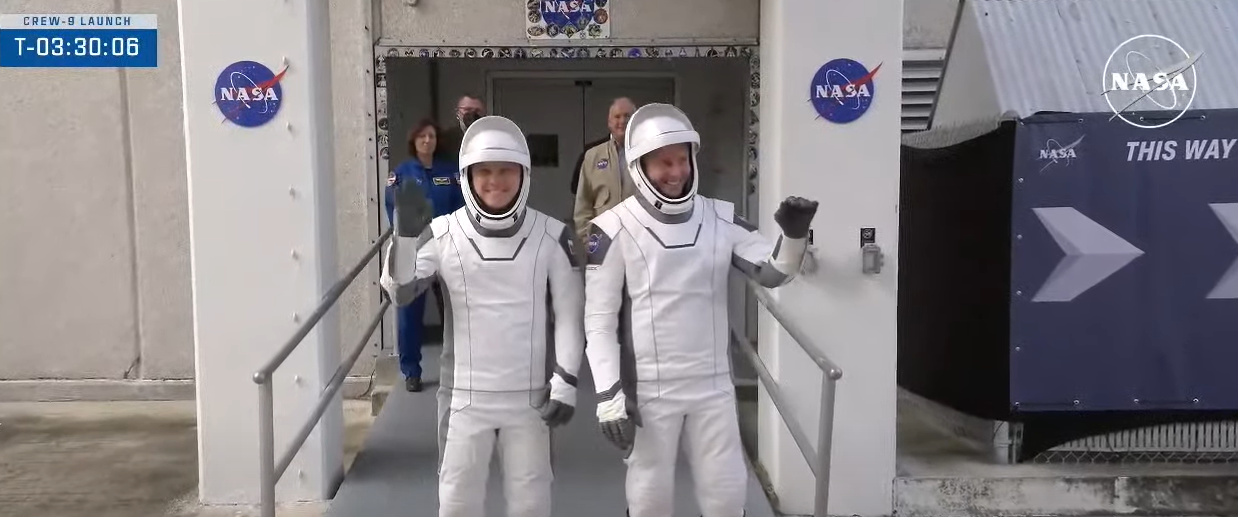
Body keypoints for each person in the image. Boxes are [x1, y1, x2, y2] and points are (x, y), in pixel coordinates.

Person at [581, 103, 818, 517]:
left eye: (681, 160)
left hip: (713, 388)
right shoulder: (611, 228)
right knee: (649, 499)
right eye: (662, 163)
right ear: (639, 167)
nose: (675, 173)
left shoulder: (720, 217)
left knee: (726, 496)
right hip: (649, 391)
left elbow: (773, 273)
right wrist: (609, 395)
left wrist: (794, 237)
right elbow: (599, 321)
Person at [379, 115, 585, 517]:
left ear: (523, 173)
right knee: (457, 504)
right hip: (463, 399)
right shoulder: (442, 232)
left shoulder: (553, 235)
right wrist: (404, 238)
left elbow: (570, 316)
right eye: (484, 171)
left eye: (505, 170)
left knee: (532, 504)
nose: (495, 181)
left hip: (532, 399)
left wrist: (565, 381)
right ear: (468, 176)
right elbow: (401, 293)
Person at [385, 119, 466, 392]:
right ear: (414, 140)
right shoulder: (402, 172)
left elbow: (462, 207)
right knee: (409, 313)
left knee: (456, 311)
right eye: (422, 136)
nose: (427, 141)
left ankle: (460, 369)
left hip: (447, 247)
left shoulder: (450, 172)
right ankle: (411, 371)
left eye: (431, 136)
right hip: (414, 250)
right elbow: (391, 207)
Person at [572, 97, 637, 244]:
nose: (622, 121)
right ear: (609, 122)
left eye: (627, 116)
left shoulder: (646, 155)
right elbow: (583, 205)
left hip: (639, 244)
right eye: (617, 116)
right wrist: (587, 241)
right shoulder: (592, 156)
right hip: (602, 246)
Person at [436, 94, 487, 162]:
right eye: (467, 109)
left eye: (477, 111)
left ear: (484, 114)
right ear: (458, 113)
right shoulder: (445, 139)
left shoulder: (491, 137)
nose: (473, 114)